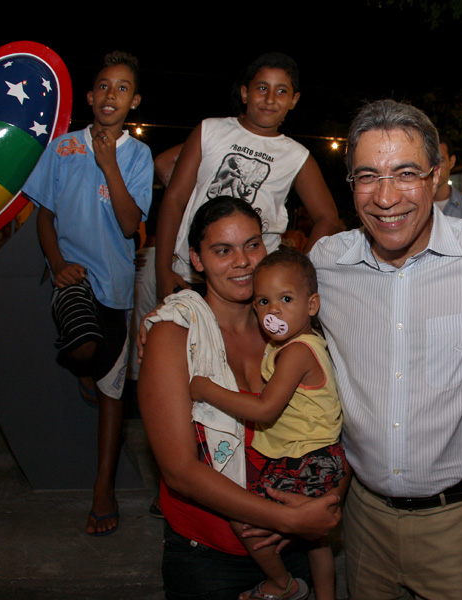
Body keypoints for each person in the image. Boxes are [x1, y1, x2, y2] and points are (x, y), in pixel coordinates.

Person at [308, 99, 462, 599]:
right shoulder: (327, 265)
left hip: (457, 526)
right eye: (368, 176)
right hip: (362, 519)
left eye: (406, 174)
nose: (386, 197)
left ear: (437, 176)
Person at [138, 197, 341, 599]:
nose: (243, 261)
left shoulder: (290, 330)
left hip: (295, 546)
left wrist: (322, 504)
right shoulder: (174, 336)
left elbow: (331, 426)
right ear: (196, 260)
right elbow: (179, 470)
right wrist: (287, 519)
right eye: (222, 250)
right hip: (208, 559)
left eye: (252, 244)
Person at [22, 51, 153, 536]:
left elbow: (129, 224)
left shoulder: (137, 156)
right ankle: (85, 367)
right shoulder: (62, 148)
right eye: (103, 85)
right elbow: (46, 214)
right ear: (90, 95)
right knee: (83, 347)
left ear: (134, 101)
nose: (110, 95)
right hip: (73, 276)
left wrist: (109, 163)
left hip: (115, 286)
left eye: (122, 88)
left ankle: (104, 488)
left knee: (113, 393)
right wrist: (57, 264)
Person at [189, 246, 347, 600]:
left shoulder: (296, 352)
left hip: (305, 458)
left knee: (242, 518)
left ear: (311, 305)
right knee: (317, 542)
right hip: (320, 455)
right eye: (263, 302)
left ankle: (281, 584)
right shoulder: (292, 345)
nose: (273, 311)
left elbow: (264, 409)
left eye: (285, 299)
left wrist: (206, 390)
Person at [154, 52, 338, 301]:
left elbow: (327, 217)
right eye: (262, 88)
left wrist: (295, 274)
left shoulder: (297, 156)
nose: (270, 99)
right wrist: (162, 270)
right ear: (244, 93)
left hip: (253, 279)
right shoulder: (210, 130)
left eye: (281, 91)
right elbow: (174, 199)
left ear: (294, 100)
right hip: (192, 275)